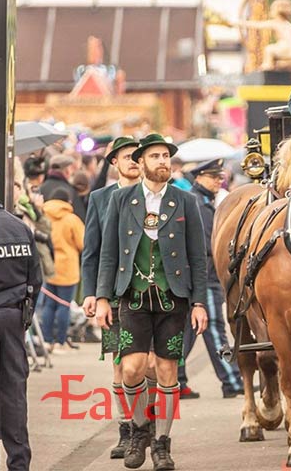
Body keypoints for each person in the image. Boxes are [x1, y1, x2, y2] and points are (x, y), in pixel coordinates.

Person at [96, 133, 208, 471]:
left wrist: (200, 302)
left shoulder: (185, 201)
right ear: (141, 162)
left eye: (166, 156)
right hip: (132, 295)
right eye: (156, 156)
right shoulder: (122, 200)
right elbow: (108, 253)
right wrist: (102, 297)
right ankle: (139, 431)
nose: (163, 161)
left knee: (166, 370)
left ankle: (162, 444)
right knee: (130, 369)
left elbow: (197, 257)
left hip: (173, 298)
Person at [80, 135, 143, 459]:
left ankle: (148, 428)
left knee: (151, 368)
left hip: (152, 295)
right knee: (120, 367)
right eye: (127, 155)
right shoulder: (101, 198)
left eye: (138, 155)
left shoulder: (157, 196)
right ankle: (126, 430)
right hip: (115, 295)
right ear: (114, 162)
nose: (134, 159)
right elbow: (91, 251)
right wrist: (91, 293)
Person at [178, 159, 244, 399]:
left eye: (221, 178)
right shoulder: (197, 203)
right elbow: (207, 244)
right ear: (199, 178)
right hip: (205, 276)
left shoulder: (202, 201)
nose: (219, 181)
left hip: (200, 276)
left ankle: (175, 380)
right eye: (214, 177)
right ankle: (233, 380)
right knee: (215, 328)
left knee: (185, 332)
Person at [0, 165, 42, 471]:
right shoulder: (19, 227)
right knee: (14, 392)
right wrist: (24, 317)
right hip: (13, 317)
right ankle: (19, 462)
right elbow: (36, 279)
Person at [40, 187, 85, 353]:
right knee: (64, 305)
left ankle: (46, 340)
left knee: (49, 304)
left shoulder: (43, 215)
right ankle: (60, 341)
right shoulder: (71, 219)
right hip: (67, 267)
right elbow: (83, 243)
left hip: (48, 265)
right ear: (68, 201)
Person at [40, 154, 86, 222]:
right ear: (67, 170)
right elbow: (80, 218)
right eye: (71, 168)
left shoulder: (42, 188)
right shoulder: (69, 190)